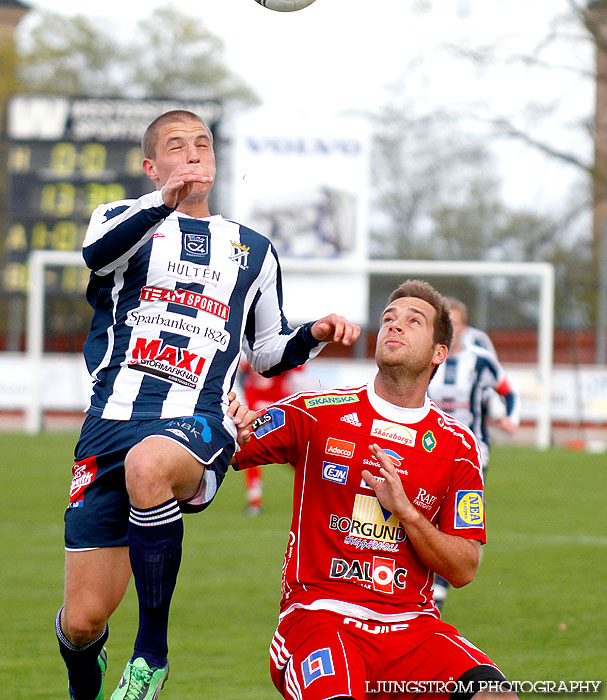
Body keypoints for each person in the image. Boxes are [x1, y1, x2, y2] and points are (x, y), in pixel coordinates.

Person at [55, 109, 360, 700]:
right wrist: (161, 203)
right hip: (107, 427)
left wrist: (314, 335)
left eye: (203, 144)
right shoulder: (122, 219)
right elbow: (96, 256)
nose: (194, 153)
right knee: (83, 621)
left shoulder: (253, 249)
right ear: (152, 166)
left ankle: (151, 654)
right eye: (177, 146)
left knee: (151, 463)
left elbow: (268, 352)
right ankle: (83, 677)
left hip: (197, 422)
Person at [233, 279, 518, 700]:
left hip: (412, 628)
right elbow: (218, 453)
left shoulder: (459, 449)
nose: (395, 326)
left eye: (413, 321)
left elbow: (464, 568)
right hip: (321, 619)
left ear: (440, 352)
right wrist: (224, 422)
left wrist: (407, 512)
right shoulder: (316, 413)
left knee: (496, 696)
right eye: (389, 318)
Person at [427, 297, 519, 611]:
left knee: (454, 511)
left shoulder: (481, 359)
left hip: (473, 448)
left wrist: (510, 418)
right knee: (428, 505)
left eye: (454, 324)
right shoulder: (427, 357)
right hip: (432, 446)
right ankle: (427, 578)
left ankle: (442, 580)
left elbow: (508, 392)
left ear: (464, 328)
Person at [238, 359, 303, 514]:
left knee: (251, 454)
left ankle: (254, 501)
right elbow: (298, 369)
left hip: (262, 413)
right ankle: (255, 501)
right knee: (295, 455)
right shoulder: (279, 357)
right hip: (274, 413)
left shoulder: (252, 359)